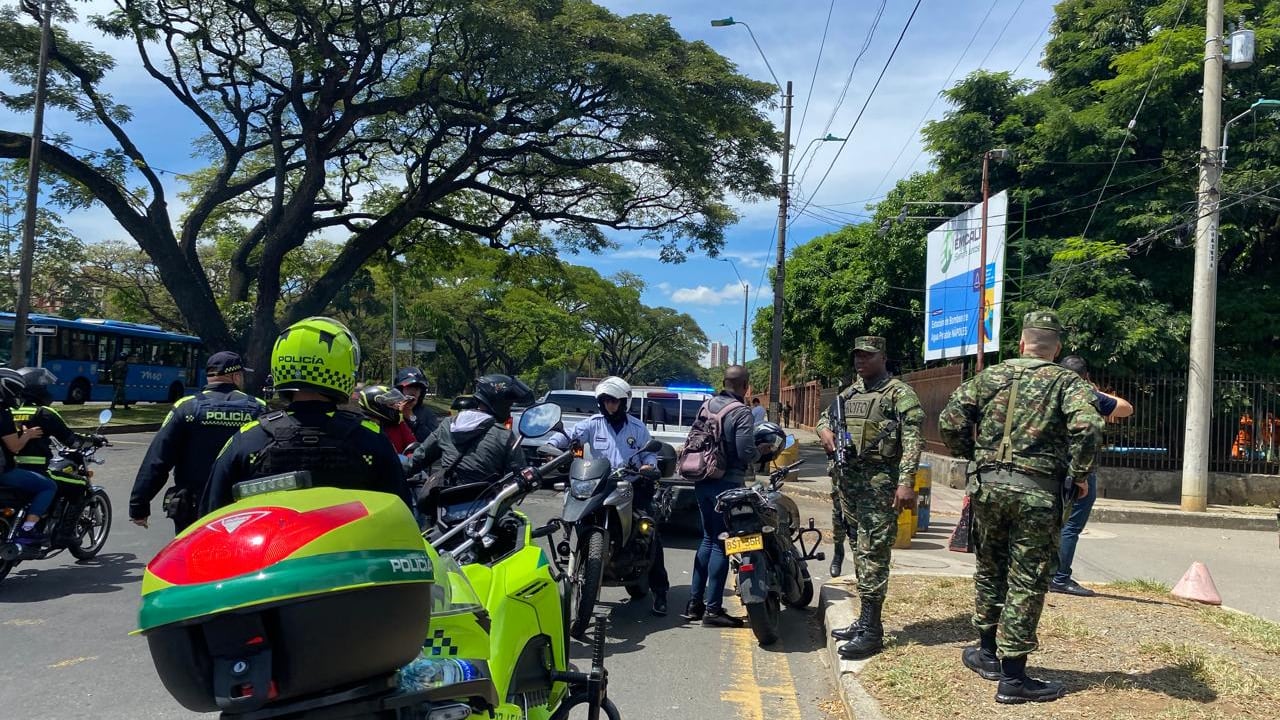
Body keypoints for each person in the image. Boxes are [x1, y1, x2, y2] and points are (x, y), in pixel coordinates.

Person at [939, 310, 1104, 704]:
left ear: (1021, 343)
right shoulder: (1066, 381)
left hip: (988, 488)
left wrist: (973, 456)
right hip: (1037, 492)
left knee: (990, 568)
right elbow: (1091, 426)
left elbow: (950, 419)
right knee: (1027, 580)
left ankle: (986, 653)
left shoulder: (991, 376)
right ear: (1057, 348)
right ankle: (1013, 679)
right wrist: (1079, 474)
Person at [200, 318, 411, 514]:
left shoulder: (247, 438)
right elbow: (402, 516)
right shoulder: (371, 439)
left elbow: (210, 515)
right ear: (344, 369)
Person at [817, 336, 924, 659]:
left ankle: (873, 630)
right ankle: (864, 622)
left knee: (873, 553)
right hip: (850, 484)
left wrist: (906, 483)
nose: (861, 361)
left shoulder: (899, 393)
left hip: (881, 485)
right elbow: (825, 418)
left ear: (883, 357)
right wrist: (825, 432)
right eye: (857, 356)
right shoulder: (851, 392)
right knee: (859, 551)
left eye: (868, 355)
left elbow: (913, 439)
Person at [550, 376, 670, 616]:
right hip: (597, 485)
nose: (610, 406)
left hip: (631, 485)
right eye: (606, 401)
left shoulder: (637, 428)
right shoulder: (592, 424)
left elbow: (649, 456)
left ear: (623, 402)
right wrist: (553, 445)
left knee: (649, 531)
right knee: (574, 515)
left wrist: (648, 466)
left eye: (615, 401)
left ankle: (661, 593)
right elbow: (570, 437)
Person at [130, 351, 267, 532]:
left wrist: (139, 505)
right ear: (235, 375)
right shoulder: (258, 407)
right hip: (241, 507)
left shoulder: (186, 407)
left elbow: (158, 459)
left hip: (192, 507)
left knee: (191, 557)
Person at [683, 365, 762, 628]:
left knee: (707, 538)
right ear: (745, 386)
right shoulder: (741, 412)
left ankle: (695, 604)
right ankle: (713, 610)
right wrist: (759, 452)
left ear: (724, 382)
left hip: (702, 479)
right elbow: (744, 451)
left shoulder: (707, 406)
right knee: (722, 543)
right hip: (726, 484)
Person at [1051, 356, 1134, 597]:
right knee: (1071, 525)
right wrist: (1094, 389)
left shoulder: (1050, 390)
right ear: (1086, 376)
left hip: (1046, 467)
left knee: (1049, 523)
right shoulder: (1087, 394)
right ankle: (1060, 577)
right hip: (1079, 469)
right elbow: (1126, 408)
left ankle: (1042, 573)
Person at [405, 374, 531, 492]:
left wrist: (389, 473)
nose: (509, 410)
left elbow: (416, 461)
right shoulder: (504, 435)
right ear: (499, 403)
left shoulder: (448, 425)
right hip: (486, 506)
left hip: (445, 504)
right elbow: (519, 477)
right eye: (508, 404)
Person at [12, 367, 108, 511]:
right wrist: (93, 440)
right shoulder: (44, 413)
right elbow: (72, 441)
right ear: (37, 389)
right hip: (38, 470)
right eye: (44, 386)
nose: (47, 389)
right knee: (80, 485)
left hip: (12, 469)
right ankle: (66, 533)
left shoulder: (11, 411)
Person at [0, 367, 54, 550]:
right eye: (15, 391)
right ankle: (27, 530)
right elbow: (14, 447)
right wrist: (28, 435)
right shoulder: (2, 414)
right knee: (48, 485)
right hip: (3, 473)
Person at [356, 384, 416, 454]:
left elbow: (413, 447)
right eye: (391, 404)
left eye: (396, 403)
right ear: (377, 406)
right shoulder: (361, 430)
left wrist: (407, 460)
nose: (397, 406)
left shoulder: (399, 424)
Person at [396, 367, 440, 443]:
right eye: (409, 387)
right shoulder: (390, 411)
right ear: (400, 390)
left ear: (421, 393)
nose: (413, 392)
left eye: (416, 388)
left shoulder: (428, 414)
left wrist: (412, 418)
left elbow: (435, 443)